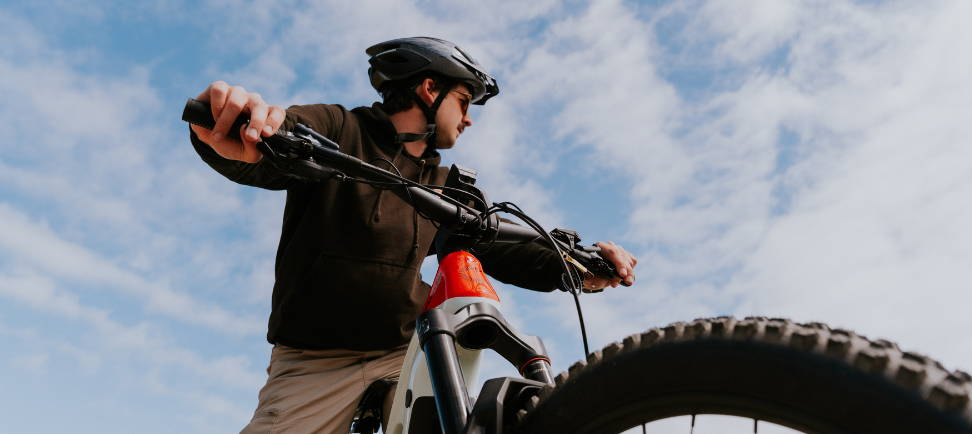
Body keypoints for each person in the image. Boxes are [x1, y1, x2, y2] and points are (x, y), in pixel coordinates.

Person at [187, 37, 638, 433]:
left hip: (407, 350)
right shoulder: (341, 128)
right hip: (314, 358)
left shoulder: (445, 185)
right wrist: (234, 123)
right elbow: (278, 139)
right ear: (429, 89)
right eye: (464, 101)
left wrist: (578, 270)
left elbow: (501, 248)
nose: (469, 119)